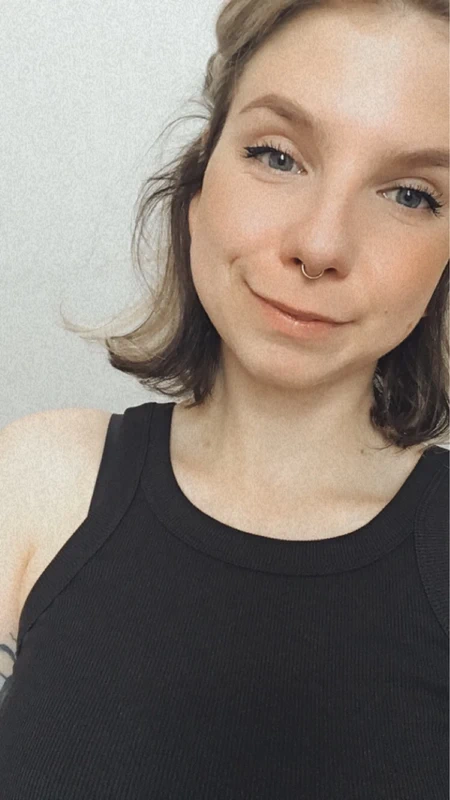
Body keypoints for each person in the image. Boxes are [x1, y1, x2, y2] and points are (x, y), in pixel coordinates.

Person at [0, 1, 448, 798]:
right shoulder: (36, 483)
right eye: (278, 156)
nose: (320, 245)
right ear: (199, 181)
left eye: (411, 195)